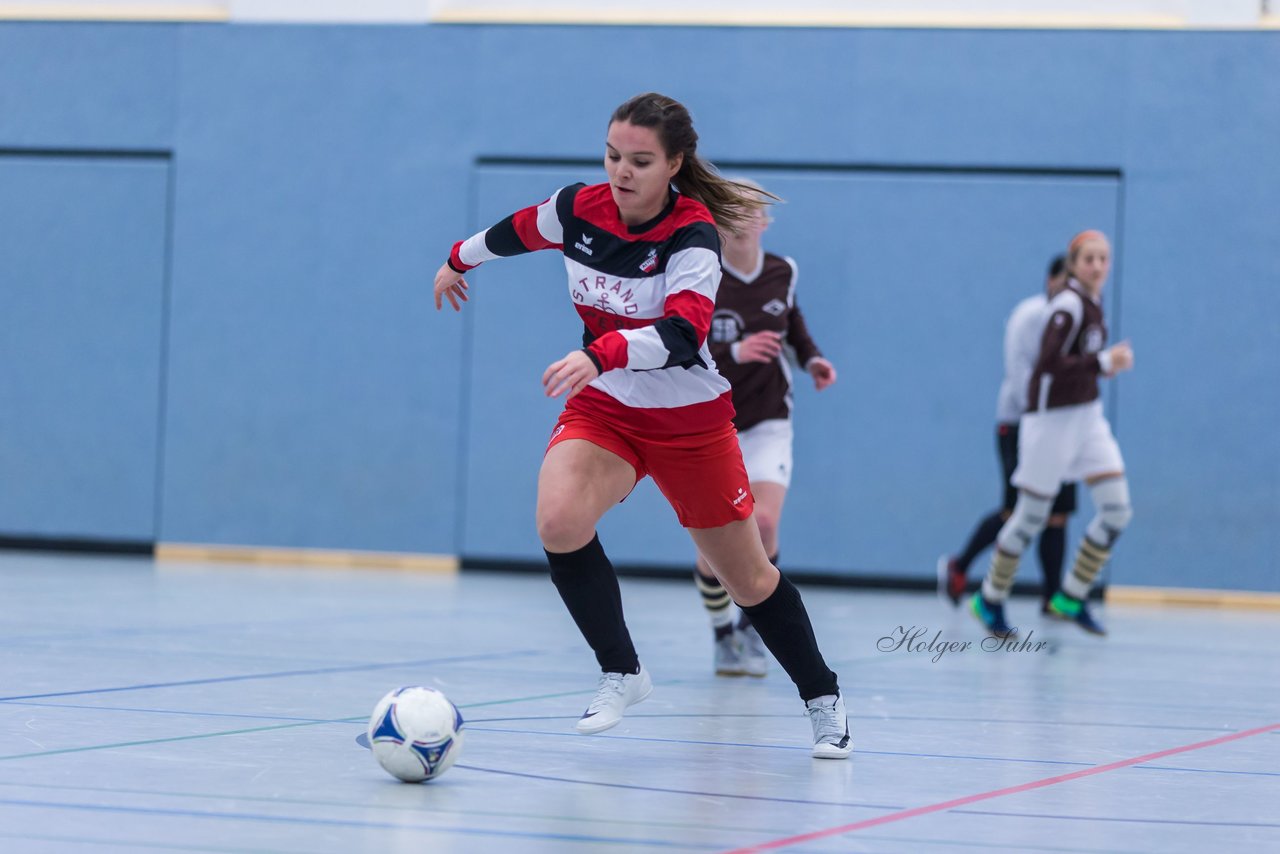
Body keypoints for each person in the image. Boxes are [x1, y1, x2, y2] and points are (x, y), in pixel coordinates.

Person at [431, 92, 852, 758]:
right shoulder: (579, 209)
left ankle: (822, 697)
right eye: (612, 155)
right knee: (559, 520)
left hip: (689, 420)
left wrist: (599, 353)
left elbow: (684, 334)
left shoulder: (692, 235)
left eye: (640, 161)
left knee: (747, 579)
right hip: (609, 407)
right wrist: (459, 258)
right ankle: (622, 671)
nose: (620, 172)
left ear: (674, 164)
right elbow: (518, 229)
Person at [692, 186, 837, 677]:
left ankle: (753, 627)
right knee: (714, 545)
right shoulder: (701, 274)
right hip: (713, 421)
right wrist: (736, 352)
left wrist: (813, 359)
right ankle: (721, 635)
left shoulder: (783, 271)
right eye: (734, 213)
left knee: (766, 523)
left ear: (764, 222)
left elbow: (793, 325)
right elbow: (683, 345)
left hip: (770, 418)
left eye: (753, 213)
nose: (744, 221)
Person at [970, 230, 1134, 637]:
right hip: (1051, 422)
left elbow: (1082, 366)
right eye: (1089, 259)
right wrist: (1101, 361)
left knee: (1116, 510)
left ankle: (1072, 595)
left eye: (1103, 258)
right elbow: (1049, 365)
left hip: (1088, 418)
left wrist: (1104, 366)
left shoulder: (1095, 305)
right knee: (1030, 517)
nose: (1097, 266)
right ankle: (989, 598)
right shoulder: (1066, 307)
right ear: (1074, 264)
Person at [938, 255, 1076, 613]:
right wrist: (1039, 422)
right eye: (1065, 281)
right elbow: (1019, 377)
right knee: (1015, 508)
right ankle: (960, 565)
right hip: (1021, 423)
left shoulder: (1078, 320)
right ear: (1051, 281)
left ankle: (1051, 597)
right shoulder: (1029, 317)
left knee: (1057, 513)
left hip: (1062, 426)